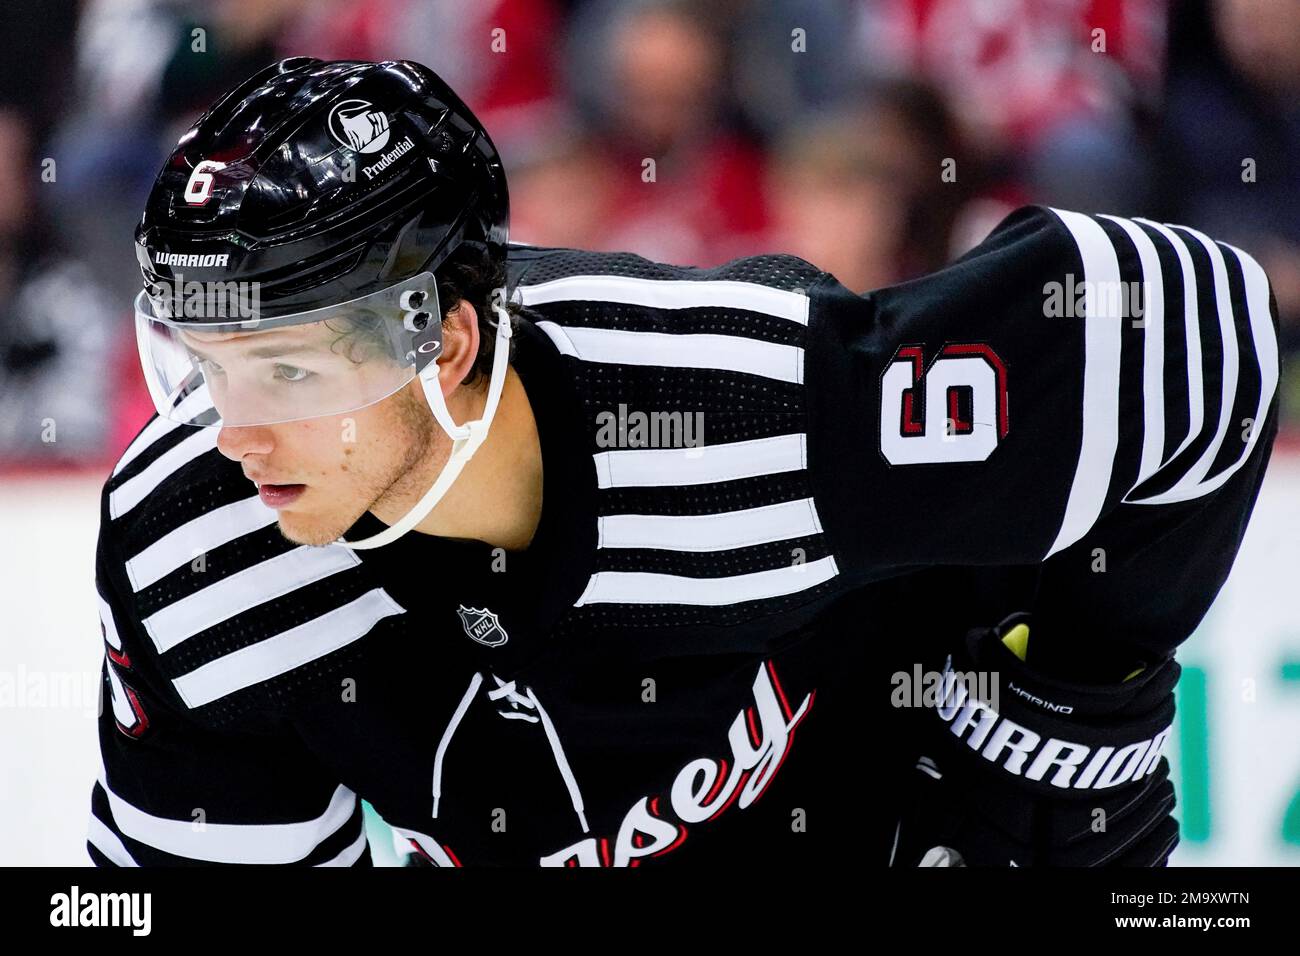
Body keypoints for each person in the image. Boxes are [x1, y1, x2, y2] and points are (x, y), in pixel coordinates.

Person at [88, 58, 1279, 867]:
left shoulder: (746, 408)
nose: (229, 430)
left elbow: (1182, 322)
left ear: (444, 343)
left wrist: (1073, 717)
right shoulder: (192, 544)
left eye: (290, 370)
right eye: (202, 359)